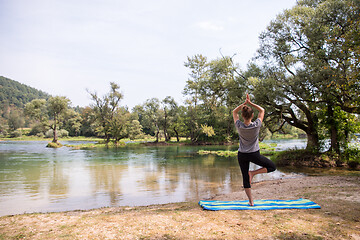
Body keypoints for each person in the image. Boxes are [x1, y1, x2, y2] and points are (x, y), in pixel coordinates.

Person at [233, 93, 276, 206]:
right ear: (252, 115)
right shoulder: (256, 125)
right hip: (254, 154)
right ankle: (253, 173)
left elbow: (234, 112)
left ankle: (251, 201)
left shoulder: (239, 125)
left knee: (245, 178)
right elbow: (262, 110)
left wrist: (243, 104)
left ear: (242, 116)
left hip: (242, 154)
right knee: (272, 167)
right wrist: (250, 103)